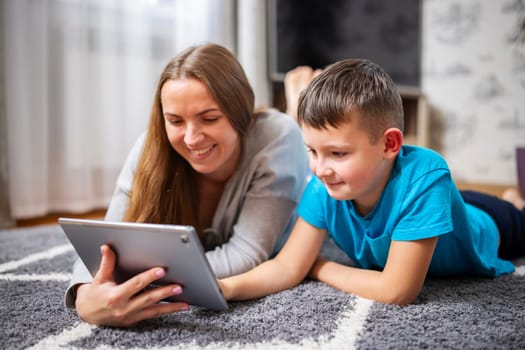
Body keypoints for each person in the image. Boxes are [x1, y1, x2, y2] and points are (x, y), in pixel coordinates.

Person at [217, 58, 525, 306]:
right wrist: (226, 287)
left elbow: (397, 291)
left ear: (390, 145)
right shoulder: (323, 185)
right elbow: (286, 267)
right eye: (312, 150)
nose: (320, 168)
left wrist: (317, 266)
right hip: (444, 205)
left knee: (514, 213)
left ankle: (514, 201)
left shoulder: (427, 175)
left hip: (493, 223)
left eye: (337, 153)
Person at [64, 43, 309, 327]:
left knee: (302, 141)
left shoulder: (276, 137)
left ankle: (297, 107)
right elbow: (104, 243)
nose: (192, 139)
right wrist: (84, 295)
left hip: (294, 171)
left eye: (209, 118)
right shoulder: (150, 145)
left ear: (241, 112)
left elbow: (247, 254)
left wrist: (138, 280)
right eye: (175, 121)